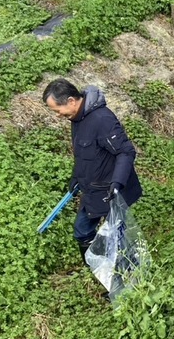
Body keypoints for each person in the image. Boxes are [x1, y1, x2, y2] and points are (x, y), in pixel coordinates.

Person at [42, 78, 142, 261]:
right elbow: (84, 155)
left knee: (118, 239)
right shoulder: (77, 119)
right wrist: (76, 178)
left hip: (111, 190)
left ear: (71, 101)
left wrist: (117, 183)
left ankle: (126, 278)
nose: (57, 115)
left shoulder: (102, 119)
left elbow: (125, 152)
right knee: (82, 232)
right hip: (92, 190)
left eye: (58, 110)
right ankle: (101, 269)